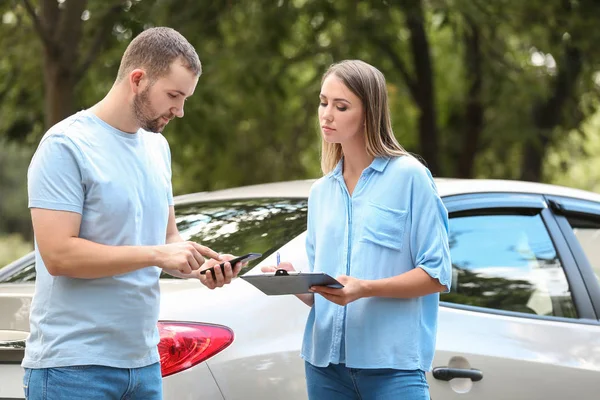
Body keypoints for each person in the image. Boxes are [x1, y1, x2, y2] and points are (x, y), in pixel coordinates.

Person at [23, 27, 242, 400]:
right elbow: (59, 255)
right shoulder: (65, 145)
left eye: (185, 98)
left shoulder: (158, 148)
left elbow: (167, 239)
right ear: (138, 79)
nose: (180, 110)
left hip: (143, 366)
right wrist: (157, 254)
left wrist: (196, 263)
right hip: (73, 369)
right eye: (173, 95)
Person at [262, 60, 452, 399]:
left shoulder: (410, 177)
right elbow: (330, 295)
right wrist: (294, 282)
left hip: (393, 370)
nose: (327, 114)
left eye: (341, 106)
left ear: (368, 113)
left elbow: (437, 275)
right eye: (323, 102)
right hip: (324, 370)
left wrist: (365, 287)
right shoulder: (321, 193)